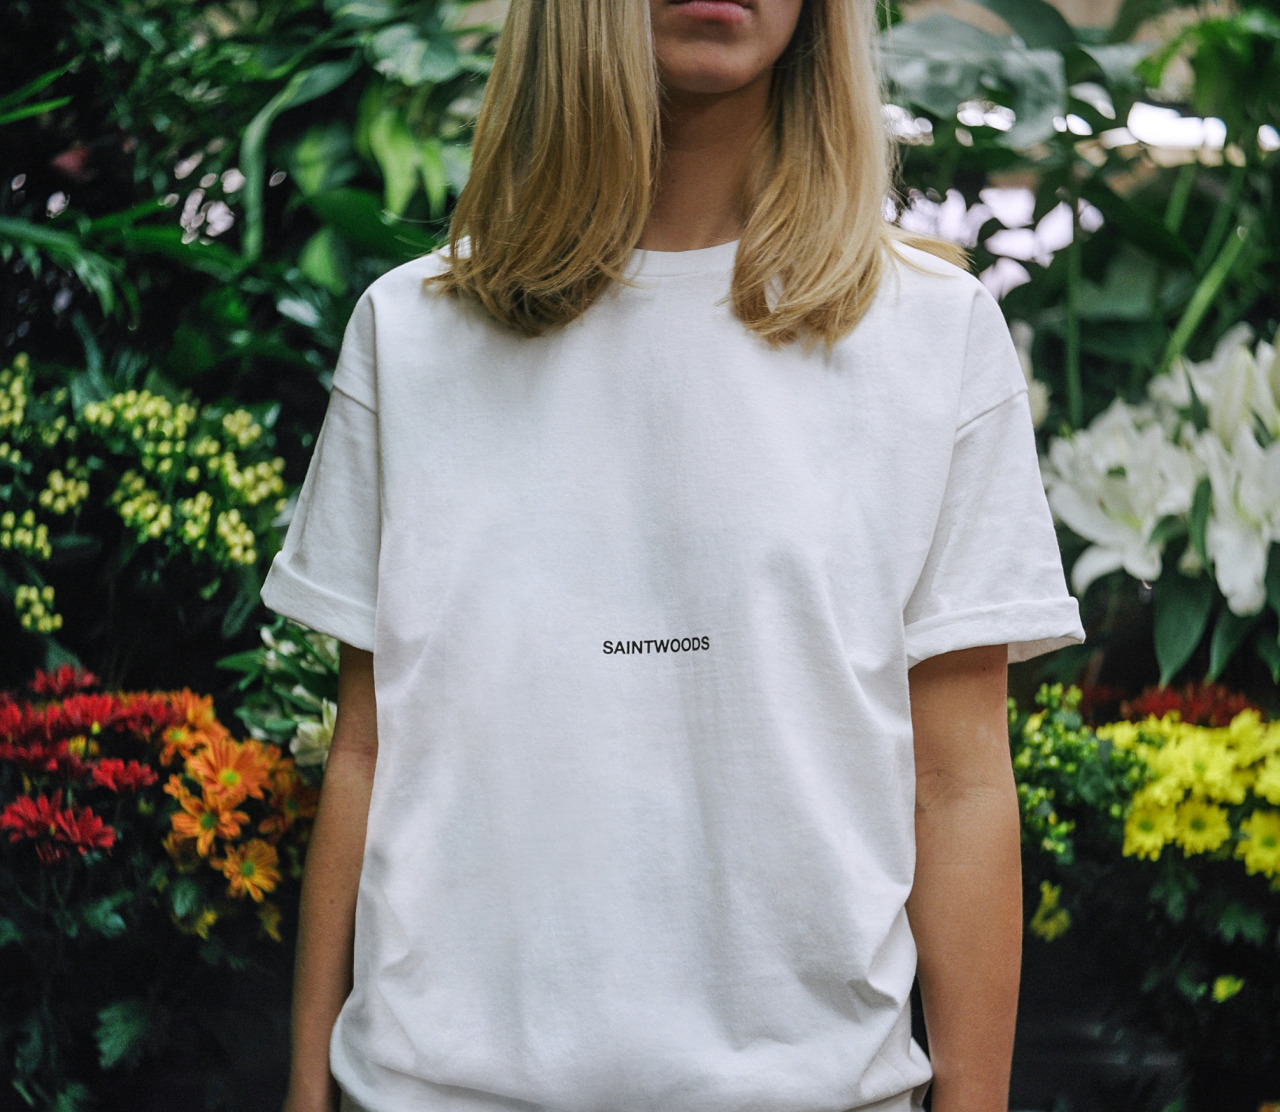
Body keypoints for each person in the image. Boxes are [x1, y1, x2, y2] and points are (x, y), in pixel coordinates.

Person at [264, 2, 1085, 1111]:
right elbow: (364, 748)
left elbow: (959, 781)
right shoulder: (413, 333)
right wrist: (305, 1091)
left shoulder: (932, 336)